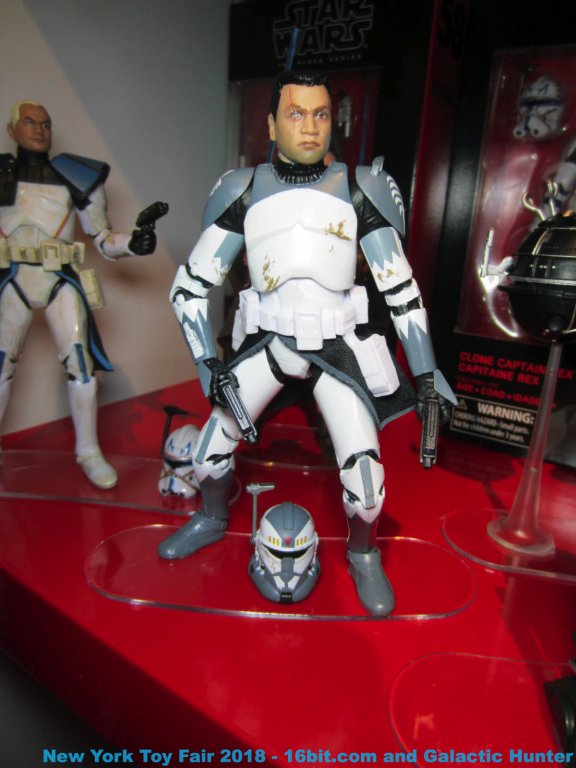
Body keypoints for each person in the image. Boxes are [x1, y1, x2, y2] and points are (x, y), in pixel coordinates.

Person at [158, 71, 455, 615]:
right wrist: (207, 364)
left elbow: (402, 292)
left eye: (321, 114)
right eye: (296, 114)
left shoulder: (360, 189)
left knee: (367, 485)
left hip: (337, 350)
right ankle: (213, 516)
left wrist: (428, 376)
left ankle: (363, 554)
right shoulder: (243, 190)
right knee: (208, 455)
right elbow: (191, 287)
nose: (310, 127)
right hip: (268, 346)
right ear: (272, 125)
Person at [0, 100, 158, 489]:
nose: (38, 130)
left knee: (81, 368)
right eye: (29, 122)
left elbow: (102, 238)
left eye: (45, 124)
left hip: (58, 279)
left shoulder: (74, 176)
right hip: (14, 278)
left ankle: (88, 451)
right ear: (12, 129)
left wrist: (133, 243)